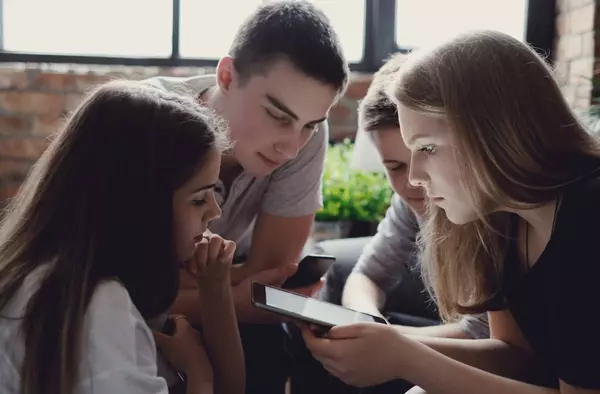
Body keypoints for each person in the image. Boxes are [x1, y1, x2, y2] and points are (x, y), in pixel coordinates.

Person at [301, 30, 600, 393]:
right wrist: (395, 348)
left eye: (427, 149)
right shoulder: (506, 217)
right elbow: (517, 357)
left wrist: (407, 358)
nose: (414, 177)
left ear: (493, 132)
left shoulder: (587, 217)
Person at [146, 2, 349, 392]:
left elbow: (272, 272)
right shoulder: (148, 121)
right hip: (110, 296)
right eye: (278, 115)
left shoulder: (304, 140)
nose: (291, 148)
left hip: (215, 290)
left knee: (273, 351)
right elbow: (119, 286)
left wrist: (222, 286)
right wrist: (230, 296)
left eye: (310, 124)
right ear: (227, 76)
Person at [0, 80, 244, 394]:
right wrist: (199, 374)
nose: (215, 213)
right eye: (198, 199)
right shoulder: (100, 309)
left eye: (215, 193)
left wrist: (215, 287)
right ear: (137, 206)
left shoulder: (50, 273)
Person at [287, 53, 491, 394]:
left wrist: (386, 344)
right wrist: (367, 324)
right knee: (328, 321)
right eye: (394, 167)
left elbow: (484, 336)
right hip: (450, 328)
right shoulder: (408, 202)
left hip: (488, 350)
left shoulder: (489, 212)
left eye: (426, 153)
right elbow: (368, 273)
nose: (414, 181)